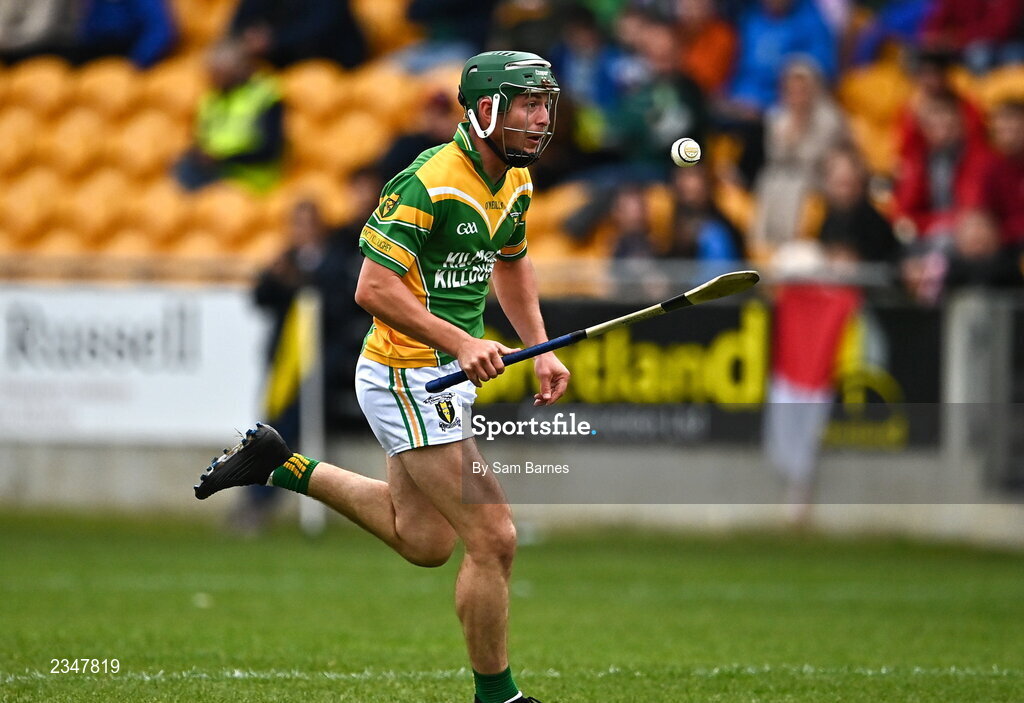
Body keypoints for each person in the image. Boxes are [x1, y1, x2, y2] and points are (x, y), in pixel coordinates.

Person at [194, 51, 569, 703]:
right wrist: (461, 340)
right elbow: (372, 286)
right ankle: (498, 696)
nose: (541, 119)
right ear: (485, 111)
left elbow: (511, 263)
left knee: (424, 541)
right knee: (494, 535)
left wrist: (538, 348)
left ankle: (278, 465)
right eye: (526, 104)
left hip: (443, 374)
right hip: (409, 375)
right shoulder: (429, 181)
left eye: (544, 104)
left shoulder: (514, 182)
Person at [237, 198, 371, 534]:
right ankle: (255, 501)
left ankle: (256, 503)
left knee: (284, 431)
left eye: (307, 224)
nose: (301, 232)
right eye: (296, 224)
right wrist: (276, 277)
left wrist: (303, 283)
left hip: (320, 365)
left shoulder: (336, 262)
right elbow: (260, 298)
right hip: (286, 363)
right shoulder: (287, 259)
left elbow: (342, 307)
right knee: (273, 427)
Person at [173, 39, 285, 193]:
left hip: (247, 178)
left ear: (238, 70)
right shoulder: (211, 98)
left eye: (219, 74)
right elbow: (200, 139)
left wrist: (223, 159)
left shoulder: (266, 95)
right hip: (213, 173)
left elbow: (269, 152)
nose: (213, 80)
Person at [228, 0, 367, 70]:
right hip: (279, 61)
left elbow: (319, 27)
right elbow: (242, 18)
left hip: (331, 63)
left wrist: (274, 42)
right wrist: (246, 35)